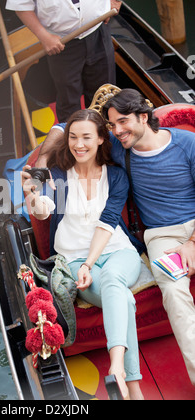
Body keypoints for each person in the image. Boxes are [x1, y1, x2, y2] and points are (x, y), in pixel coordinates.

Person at [22, 109, 144, 400]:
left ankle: (117, 368)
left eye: (87, 137)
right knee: (122, 296)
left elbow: (109, 221)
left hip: (118, 252)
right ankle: (133, 387)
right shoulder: (59, 177)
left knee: (114, 278)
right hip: (73, 259)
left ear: (101, 139)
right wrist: (32, 197)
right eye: (73, 138)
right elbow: (45, 210)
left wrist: (91, 262)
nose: (79, 144)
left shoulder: (116, 176)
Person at [102, 89, 195, 387]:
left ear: (144, 117)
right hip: (162, 237)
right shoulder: (119, 148)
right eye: (112, 125)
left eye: (123, 121)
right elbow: (72, 136)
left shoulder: (187, 144)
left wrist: (193, 243)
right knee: (173, 290)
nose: (118, 131)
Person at [6, 0, 121, 122]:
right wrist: (44, 36)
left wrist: (117, 1)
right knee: (69, 99)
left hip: (98, 29)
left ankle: (106, 132)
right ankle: (74, 136)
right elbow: (21, 5)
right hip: (61, 42)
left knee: (105, 94)